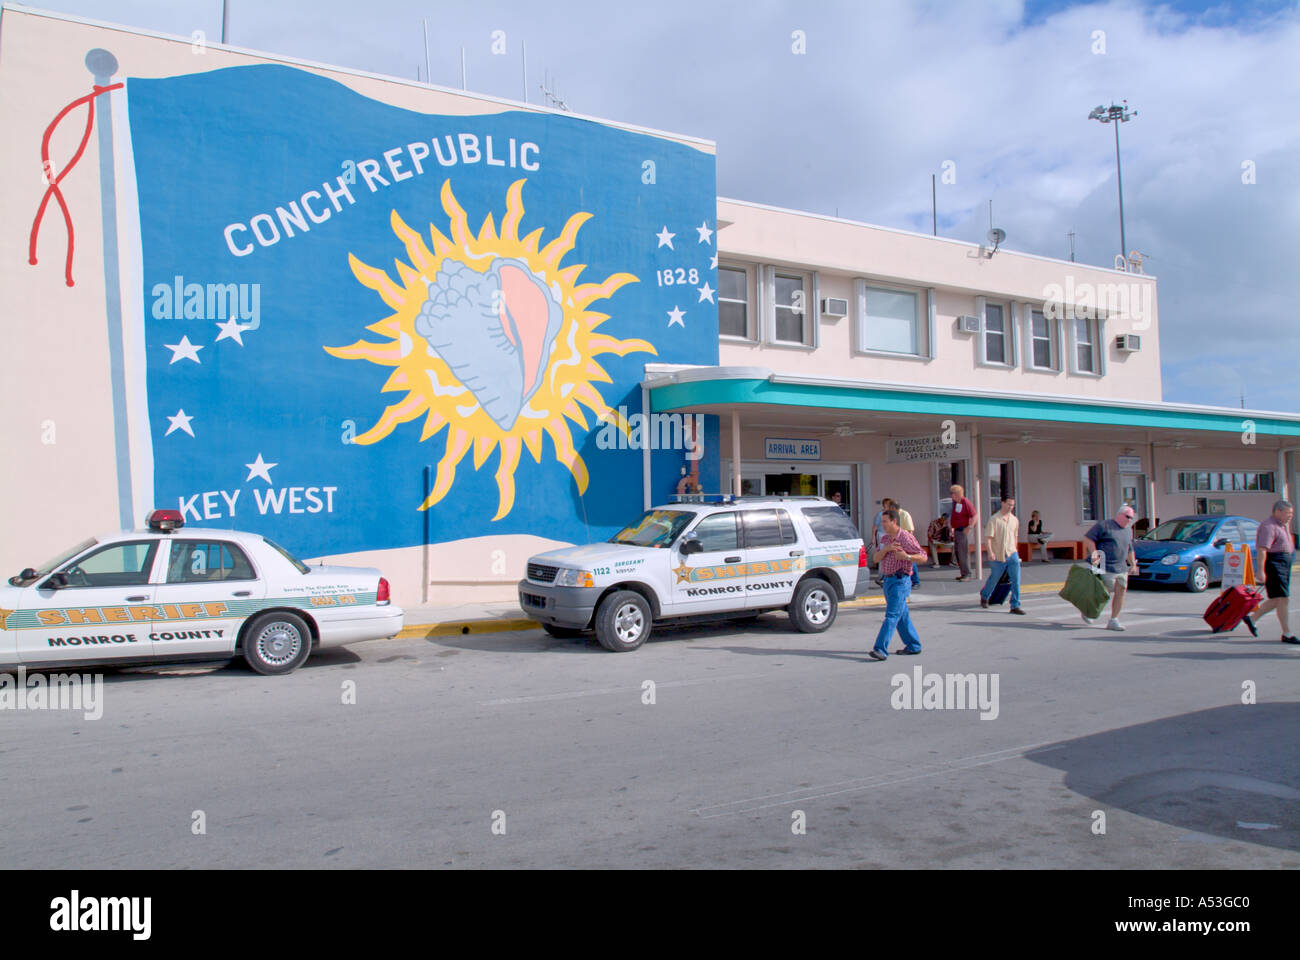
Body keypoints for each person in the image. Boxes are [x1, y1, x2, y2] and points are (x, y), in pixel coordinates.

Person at [867, 508, 925, 660]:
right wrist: (886, 549)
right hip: (888, 580)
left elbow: (923, 557)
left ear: (894, 521)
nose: (883, 525)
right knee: (901, 615)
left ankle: (880, 649)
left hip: (901, 580)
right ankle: (913, 645)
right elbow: (876, 559)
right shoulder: (885, 539)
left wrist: (906, 556)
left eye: (885, 521)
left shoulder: (905, 537)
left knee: (892, 615)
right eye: (882, 522)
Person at [1245, 499, 1296, 644]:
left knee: (1276, 599)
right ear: (1278, 511)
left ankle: (1252, 619)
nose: (1290, 516)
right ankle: (1287, 633)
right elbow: (1262, 549)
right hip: (1275, 564)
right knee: (1283, 598)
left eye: (1291, 514)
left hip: (1283, 564)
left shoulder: (1282, 525)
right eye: (1288, 513)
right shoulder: (1268, 526)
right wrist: (1261, 571)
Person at [1083, 505, 1139, 631]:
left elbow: (1129, 549)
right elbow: (1088, 538)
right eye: (1128, 517)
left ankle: (1114, 620)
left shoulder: (1128, 530)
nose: (1130, 520)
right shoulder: (1104, 525)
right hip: (1105, 565)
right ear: (1119, 515)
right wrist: (1094, 553)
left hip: (1121, 567)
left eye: (1132, 518)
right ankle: (1089, 611)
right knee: (1105, 591)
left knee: (1121, 591)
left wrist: (1133, 564)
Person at [980, 495, 1026, 614]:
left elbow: (1015, 536)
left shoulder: (1014, 520)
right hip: (998, 554)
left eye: (1012, 505)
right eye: (1009, 504)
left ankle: (1015, 605)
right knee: (994, 577)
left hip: (1012, 553)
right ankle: (985, 596)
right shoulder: (994, 519)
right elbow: (988, 537)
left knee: (1016, 580)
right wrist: (990, 552)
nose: (1010, 507)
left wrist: (1016, 551)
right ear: (1003, 503)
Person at [948, 484, 977, 581]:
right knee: (958, 552)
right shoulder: (957, 503)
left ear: (957, 494)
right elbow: (956, 517)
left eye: (953, 494)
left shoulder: (965, 502)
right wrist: (952, 528)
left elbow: (974, 515)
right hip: (957, 530)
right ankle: (963, 573)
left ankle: (967, 574)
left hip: (962, 530)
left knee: (963, 552)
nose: (951, 496)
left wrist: (970, 527)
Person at [893, 498, 921, 589]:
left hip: (905, 541)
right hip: (897, 541)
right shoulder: (893, 516)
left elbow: (910, 530)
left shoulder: (904, 514)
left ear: (894, 508)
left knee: (910, 561)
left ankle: (916, 581)